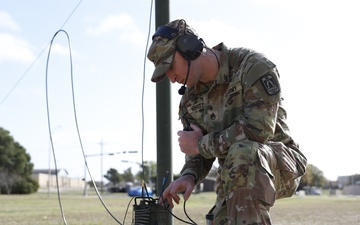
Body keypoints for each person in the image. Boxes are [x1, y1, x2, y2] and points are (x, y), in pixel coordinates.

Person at [147, 19, 307, 225]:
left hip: (279, 165)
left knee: (244, 152)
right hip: (235, 172)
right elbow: (198, 153)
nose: (171, 78)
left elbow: (258, 130)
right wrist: (189, 176)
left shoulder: (252, 66)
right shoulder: (190, 100)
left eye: (170, 66)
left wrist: (200, 144)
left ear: (189, 48)